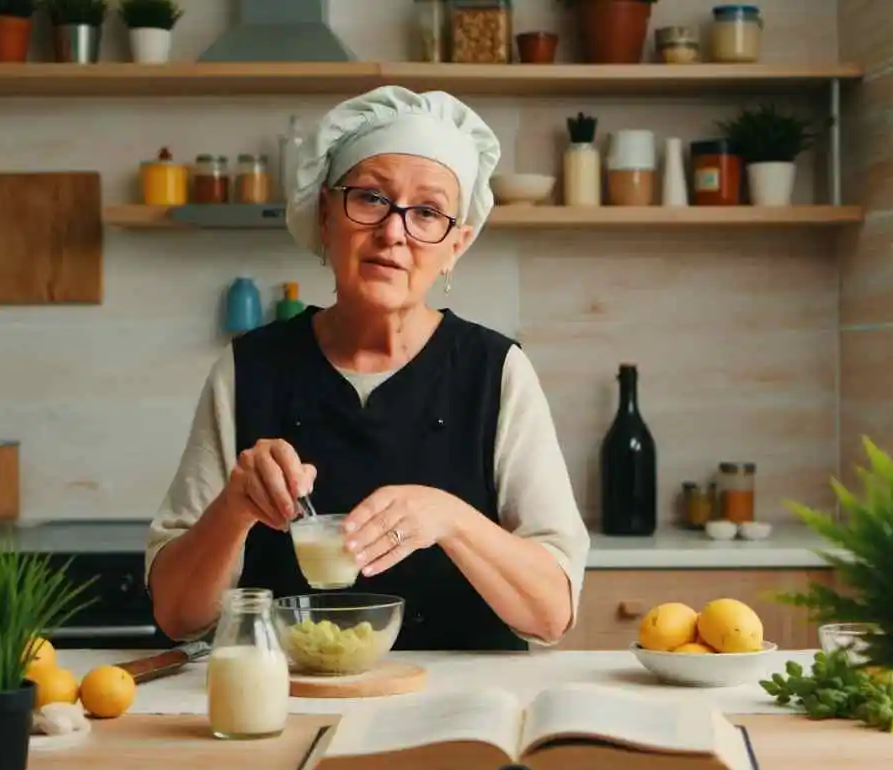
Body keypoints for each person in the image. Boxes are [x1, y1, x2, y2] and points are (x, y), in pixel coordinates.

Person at [145, 86, 590, 651]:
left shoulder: (497, 370)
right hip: (285, 704)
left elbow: (551, 613)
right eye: (371, 199)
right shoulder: (247, 369)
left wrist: (449, 518)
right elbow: (178, 617)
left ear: (457, 243)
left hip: (459, 713)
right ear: (326, 214)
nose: (394, 232)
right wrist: (234, 509)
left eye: (427, 212)